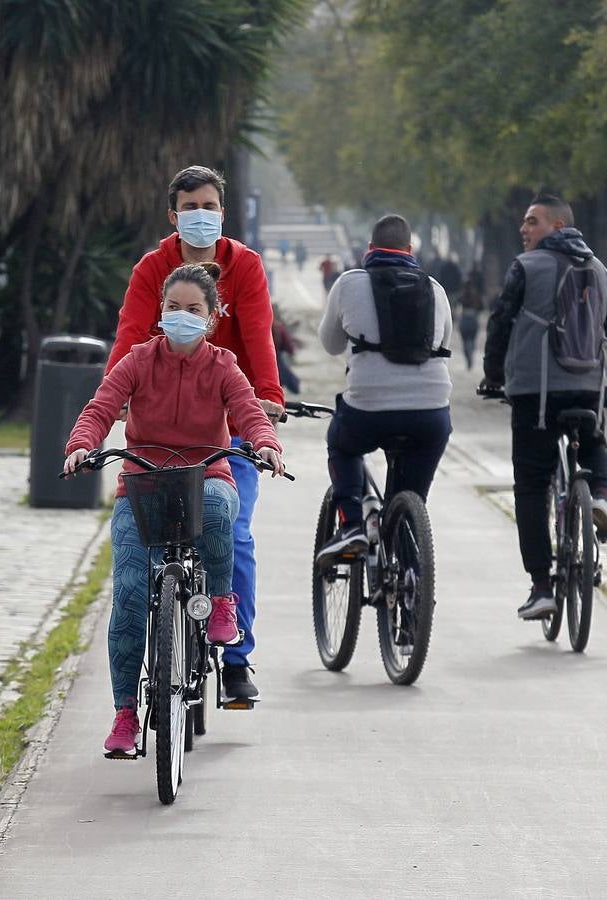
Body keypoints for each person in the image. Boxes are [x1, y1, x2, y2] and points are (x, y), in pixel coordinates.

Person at [64, 262, 285, 756]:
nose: (181, 316)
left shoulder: (224, 365)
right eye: (172, 307)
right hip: (142, 481)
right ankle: (125, 715)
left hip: (207, 475)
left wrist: (265, 442)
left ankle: (222, 601)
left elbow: (249, 411)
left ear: (211, 318)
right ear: (159, 312)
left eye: (193, 309)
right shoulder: (138, 361)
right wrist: (81, 445)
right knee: (129, 593)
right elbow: (101, 407)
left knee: (214, 506)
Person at [104, 165, 285, 702]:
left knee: (235, 532)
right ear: (173, 215)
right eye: (191, 208)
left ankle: (235, 659)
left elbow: (257, 333)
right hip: (159, 430)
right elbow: (130, 333)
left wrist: (268, 398)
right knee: (149, 551)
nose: (200, 217)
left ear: (223, 213)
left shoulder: (244, 266)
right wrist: (116, 396)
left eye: (210, 207)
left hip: (228, 421)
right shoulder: (152, 267)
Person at [481, 194, 607, 621]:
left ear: (556, 227)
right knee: (593, 442)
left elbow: (500, 321)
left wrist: (493, 374)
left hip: (534, 395)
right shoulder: (601, 270)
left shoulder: (525, 267)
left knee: (532, 486)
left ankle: (541, 587)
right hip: (587, 389)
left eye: (531, 221)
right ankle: (603, 497)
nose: (523, 229)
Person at [316, 214, 453, 563]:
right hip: (431, 413)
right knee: (411, 497)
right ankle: (410, 575)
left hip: (368, 410)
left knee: (342, 444)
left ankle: (351, 526)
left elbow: (330, 344)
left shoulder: (348, 283)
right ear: (410, 250)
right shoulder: (435, 289)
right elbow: (444, 344)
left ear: (370, 249)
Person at [457, 276, 483, 370]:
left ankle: (468, 356)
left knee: (464, 341)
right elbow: (481, 307)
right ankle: (470, 352)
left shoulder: (462, 295)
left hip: (464, 320)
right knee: (472, 339)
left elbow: (458, 305)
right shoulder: (475, 296)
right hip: (473, 319)